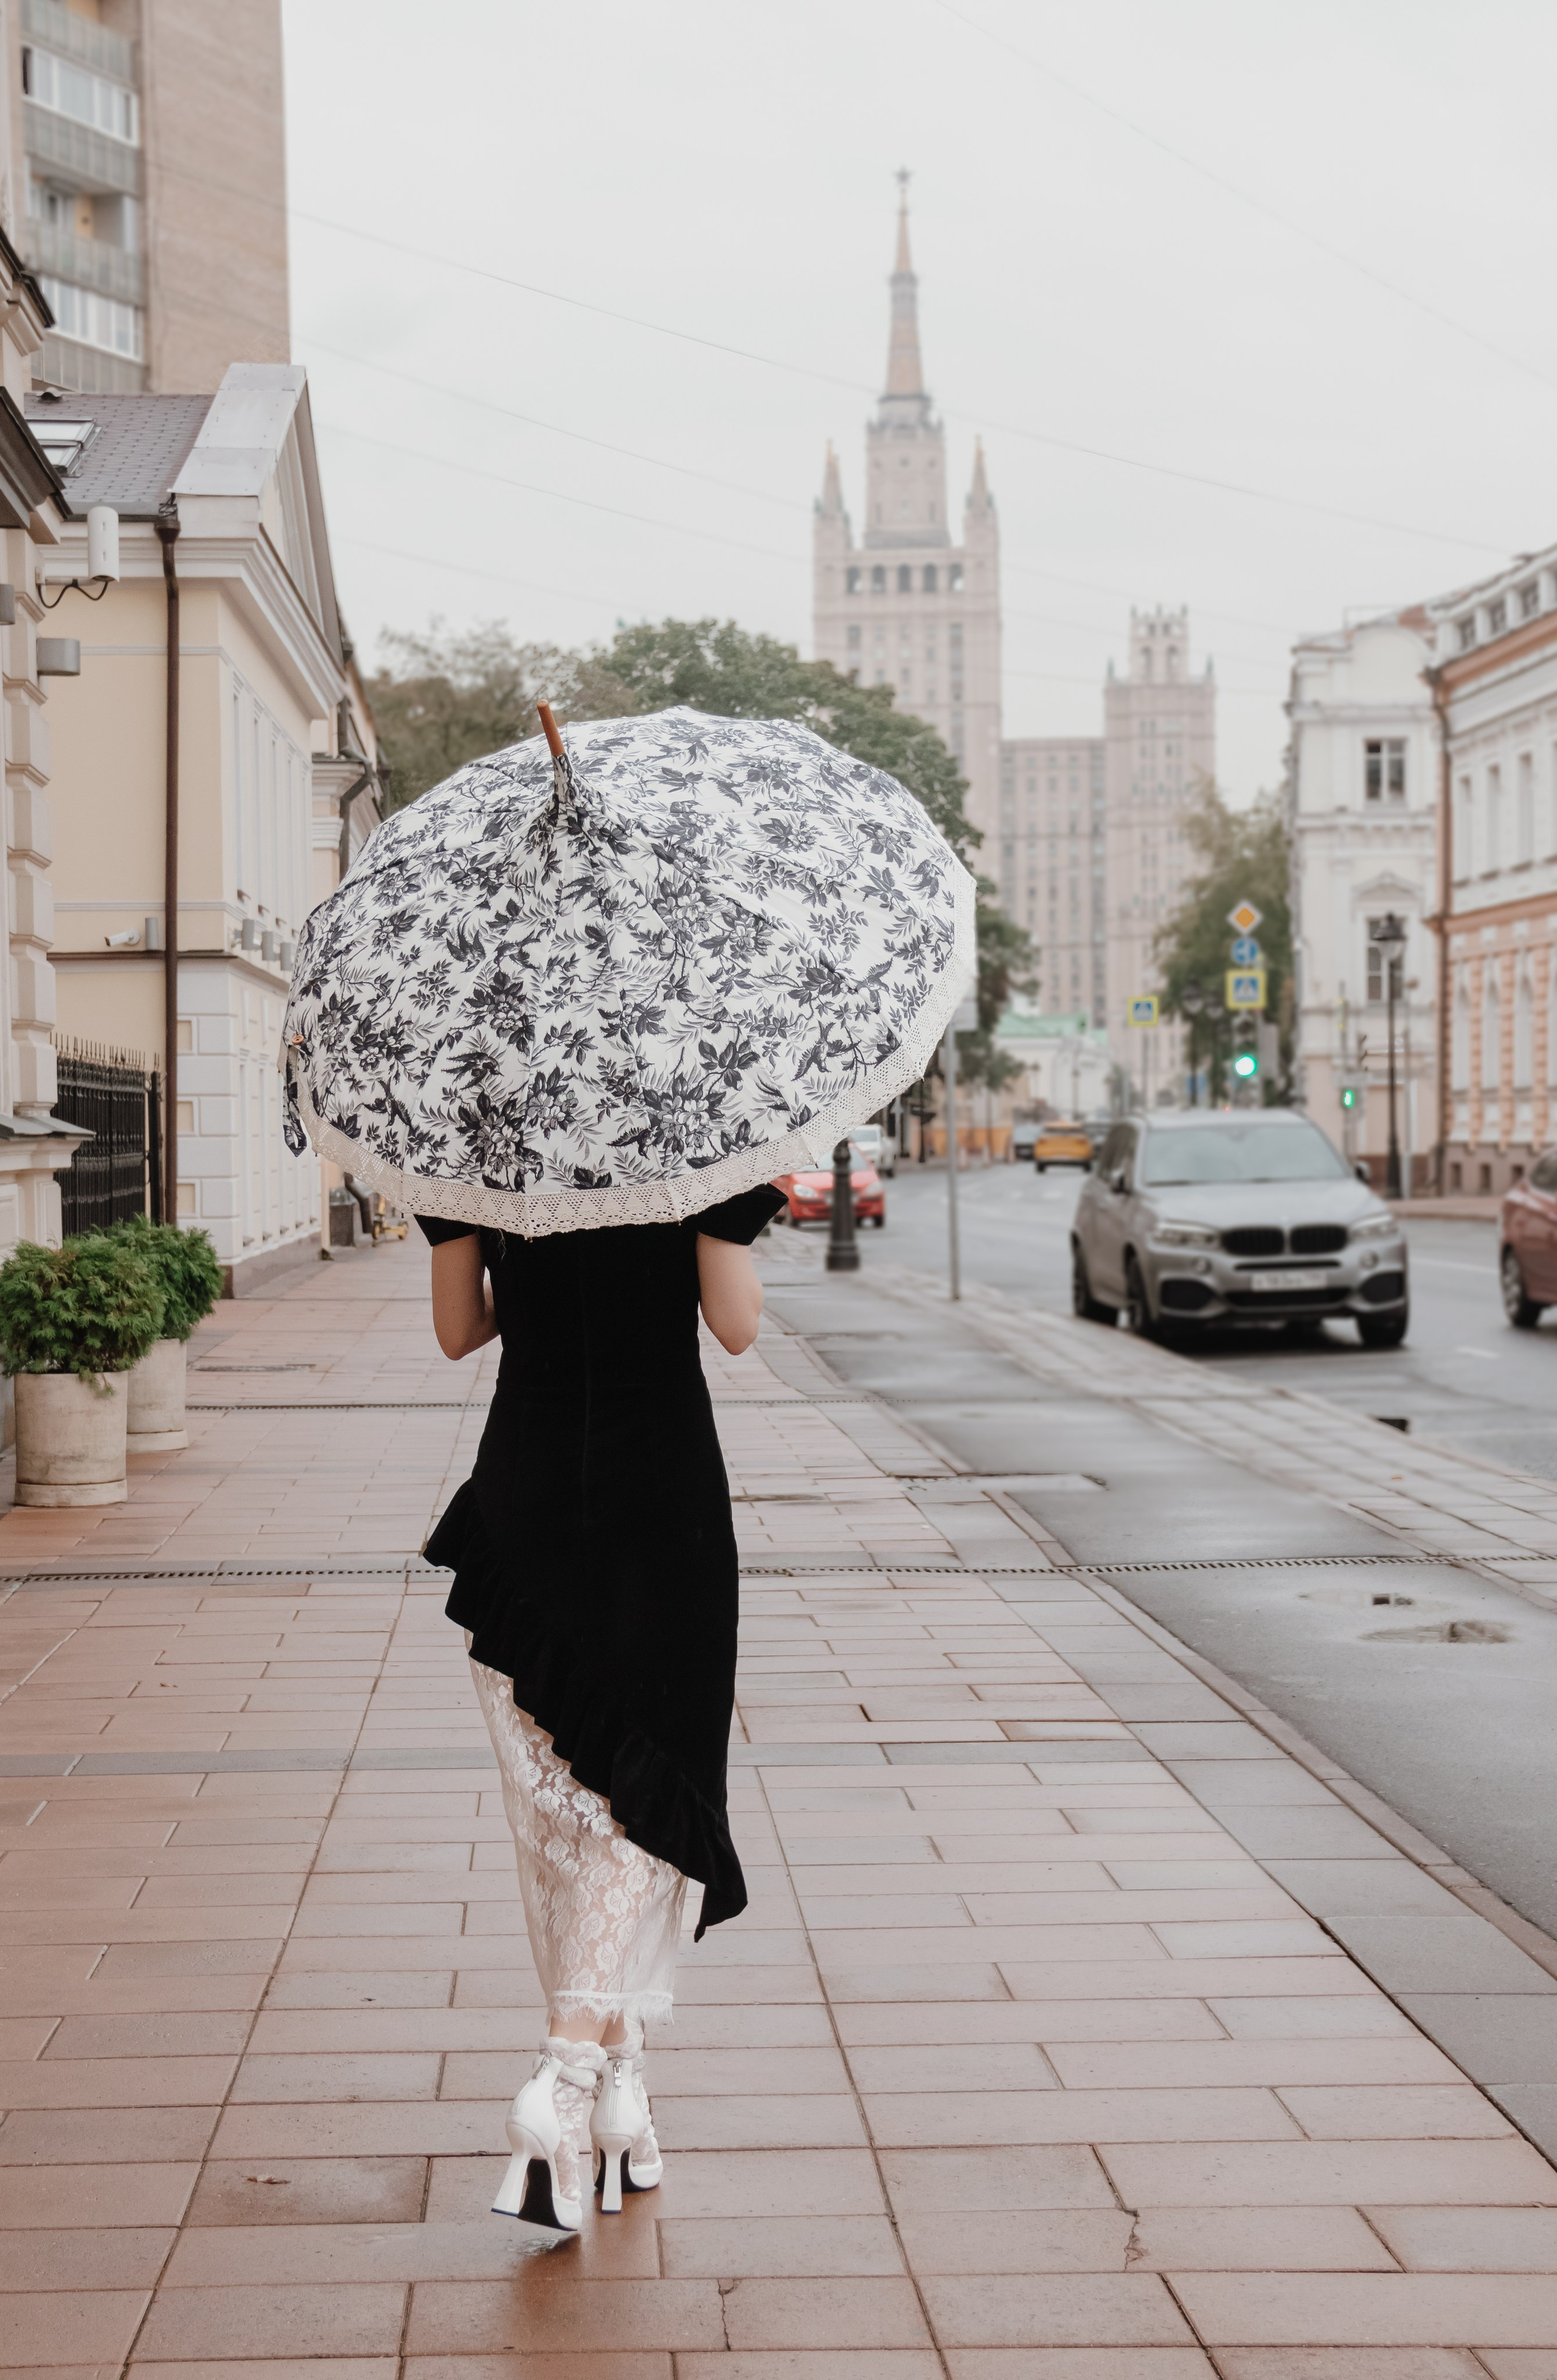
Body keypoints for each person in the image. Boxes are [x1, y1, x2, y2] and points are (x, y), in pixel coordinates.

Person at [419, 1184, 783, 2241]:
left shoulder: (474, 1150)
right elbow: (737, 1325)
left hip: (524, 1496)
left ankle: (622, 2091)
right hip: (659, 1508)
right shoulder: (694, 1148)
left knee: (561, 1815)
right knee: (637, 1802)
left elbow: (459, 1331)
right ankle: (567, 2073)